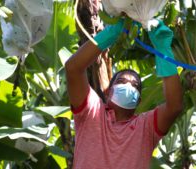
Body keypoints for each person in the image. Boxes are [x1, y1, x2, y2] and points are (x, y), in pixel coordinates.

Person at [65, 19, 183, 169]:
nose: (128, 86)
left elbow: (174, 106)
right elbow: (73, 68)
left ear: (139, 101)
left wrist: (163, 51)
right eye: (121, 81)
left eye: (134, 86)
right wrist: (111, 33)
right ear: (108, 92)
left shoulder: (145, 128)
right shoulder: (92, 112)